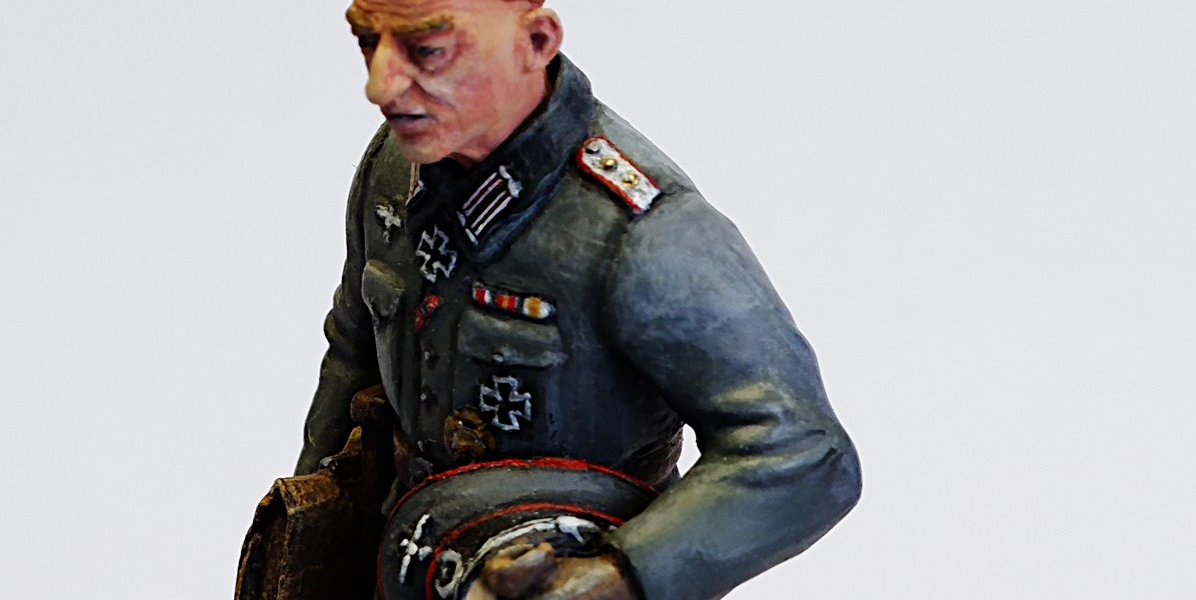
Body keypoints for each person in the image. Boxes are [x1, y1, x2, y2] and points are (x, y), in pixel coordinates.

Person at [294, 1, 861, 598]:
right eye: (368, 42)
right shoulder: (395, 166)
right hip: (408, 559)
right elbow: (353, 348)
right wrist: (309, 521)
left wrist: (620, 574)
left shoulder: (643, 232)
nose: (379, 86)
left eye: (427, 50)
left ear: (536, 42)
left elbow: (805, 451)